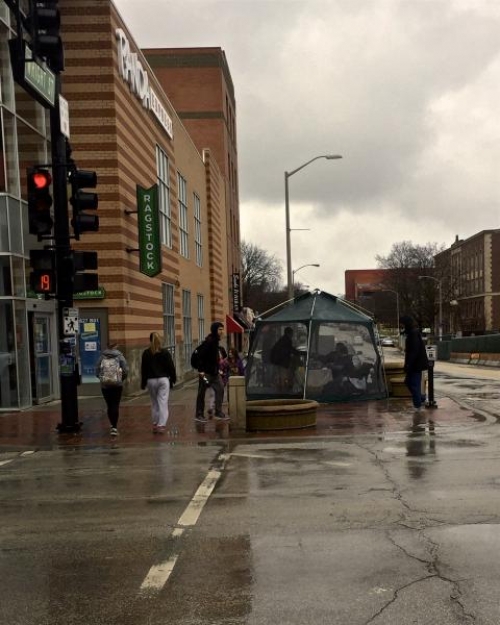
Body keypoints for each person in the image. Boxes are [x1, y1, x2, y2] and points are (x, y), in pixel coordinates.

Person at [141, 332, 177, 434]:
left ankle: (155, 422)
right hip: (163, 379)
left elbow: (143, 369)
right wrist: (173, 379)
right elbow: (171, 367)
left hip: (151, 380)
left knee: (154, 403)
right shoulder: (165, 352)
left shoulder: (146, 353)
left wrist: (143, 382)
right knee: (163, 402)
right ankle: (161, 425)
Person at [195, 321, 228, 422]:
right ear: (215, 330)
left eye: (222, 329)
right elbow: (200, 357)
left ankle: (218, 412)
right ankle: (199, 414)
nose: (222, 332)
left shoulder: (216, 342)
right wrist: (200, 370)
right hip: (206, 373)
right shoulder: (209, 342)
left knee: (221, 388)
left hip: (214, 373)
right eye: (220, 329)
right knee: (202, 392)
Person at [96, 342, 129, 437]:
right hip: (117, 385)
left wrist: (102, 379)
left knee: (109, 405)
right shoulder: (120, 356)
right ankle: (114, 427)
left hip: (105, 386)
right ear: (116, 347)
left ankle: (112, 424)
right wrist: (121, 379)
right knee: (115, 405)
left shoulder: (102, 357)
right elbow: (126, 370)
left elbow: (97, 370)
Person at [400, 315, 429, 420]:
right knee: (409, 382)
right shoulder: (412, 333)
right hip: (415, 364)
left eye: (402, 324)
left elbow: (414, 351)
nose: (401, 326)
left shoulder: (413, 334)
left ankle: (418, 405)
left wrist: (408, 364)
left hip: (415, 365)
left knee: (413, 384)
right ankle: (421, 398)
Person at [269, 326, 301, 390]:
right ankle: (283, 389)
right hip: (282, 362)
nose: (292, 335)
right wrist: (299, 353)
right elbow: (290, 349)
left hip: (279, 361)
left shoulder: (282, 339)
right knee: (283, 376)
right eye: (292, 333)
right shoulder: (287, 340)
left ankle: (282, 387)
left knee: (282, 375)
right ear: (289, 333)